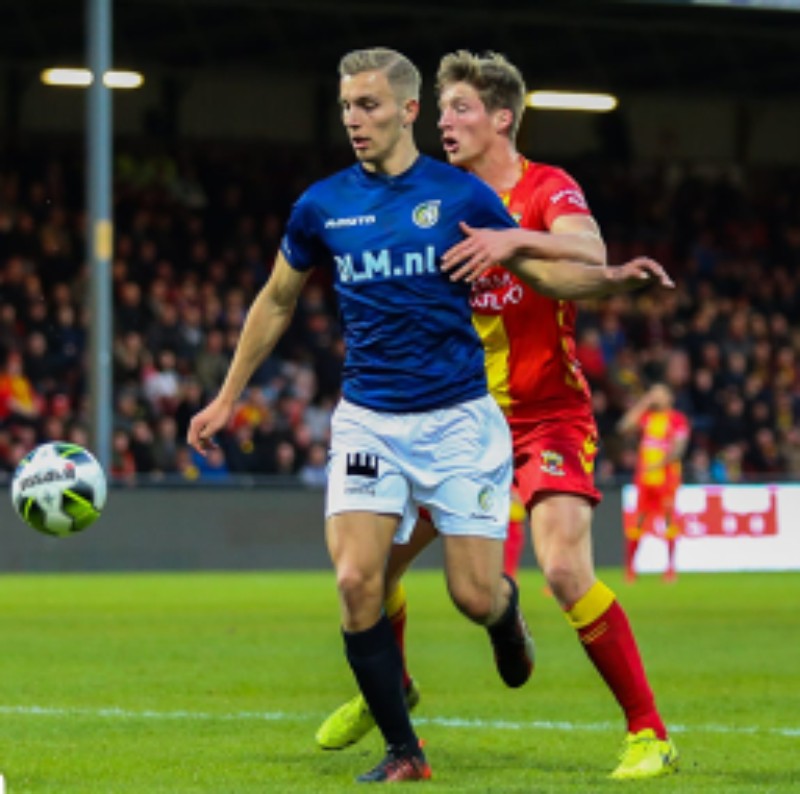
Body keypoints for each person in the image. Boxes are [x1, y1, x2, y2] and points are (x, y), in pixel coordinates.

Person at [187, 46, 660, 785]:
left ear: (412, 111)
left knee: (501, 586)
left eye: (370, 105)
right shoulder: (331, 203)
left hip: (489, 419)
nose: (355, 120)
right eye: (346, 107)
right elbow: (279, 296)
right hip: (378, 418)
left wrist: (608, 279)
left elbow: (559, 266)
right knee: (360, 579)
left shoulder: (484, 197)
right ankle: (402, 734)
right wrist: (227, 394)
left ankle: (565, 668)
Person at [316, 50, 679, 782]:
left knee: (568, 569)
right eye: (441, 110)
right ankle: (393, 688)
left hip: (547, 414)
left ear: (502, 118)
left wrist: (517, 239)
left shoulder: (549, 188)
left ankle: (648, 733)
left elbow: (587, 251)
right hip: (452, 419)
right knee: (371, 573)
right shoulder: (437, 197)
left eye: (460, 110)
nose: (443, 123)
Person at [617, 383, 690, 583]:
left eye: (659, 393)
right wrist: (644, 403)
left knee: (668, 521)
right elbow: (623, 427)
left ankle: (670, 569)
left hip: (666, 480)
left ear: (669, 397)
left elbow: (678, 449)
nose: (655, 396)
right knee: (637, 522)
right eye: (653, 393)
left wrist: (659, 463)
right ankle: (630, 569)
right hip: (644, 481)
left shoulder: (677, 420)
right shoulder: (647, 417)